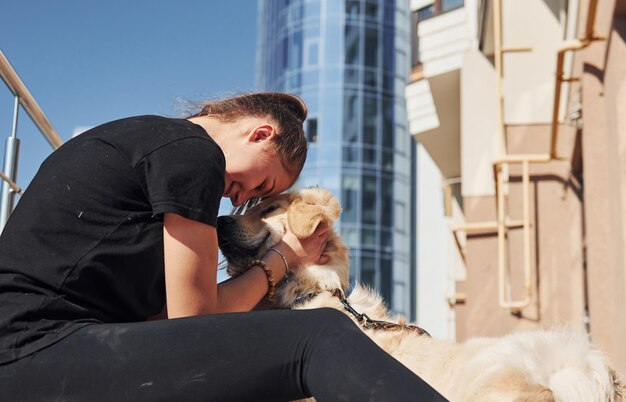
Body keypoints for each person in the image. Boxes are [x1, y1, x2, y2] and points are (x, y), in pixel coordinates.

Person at [0, 92, 447, 401]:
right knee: (322, 334)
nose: (239, 199)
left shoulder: (146, 140)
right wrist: (284, 255)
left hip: (36, 347)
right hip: (36, 347)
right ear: (262, 135)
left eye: (259, 197)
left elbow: (164, 320)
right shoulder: (193, 153)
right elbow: (195, 321)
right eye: (263, 184)